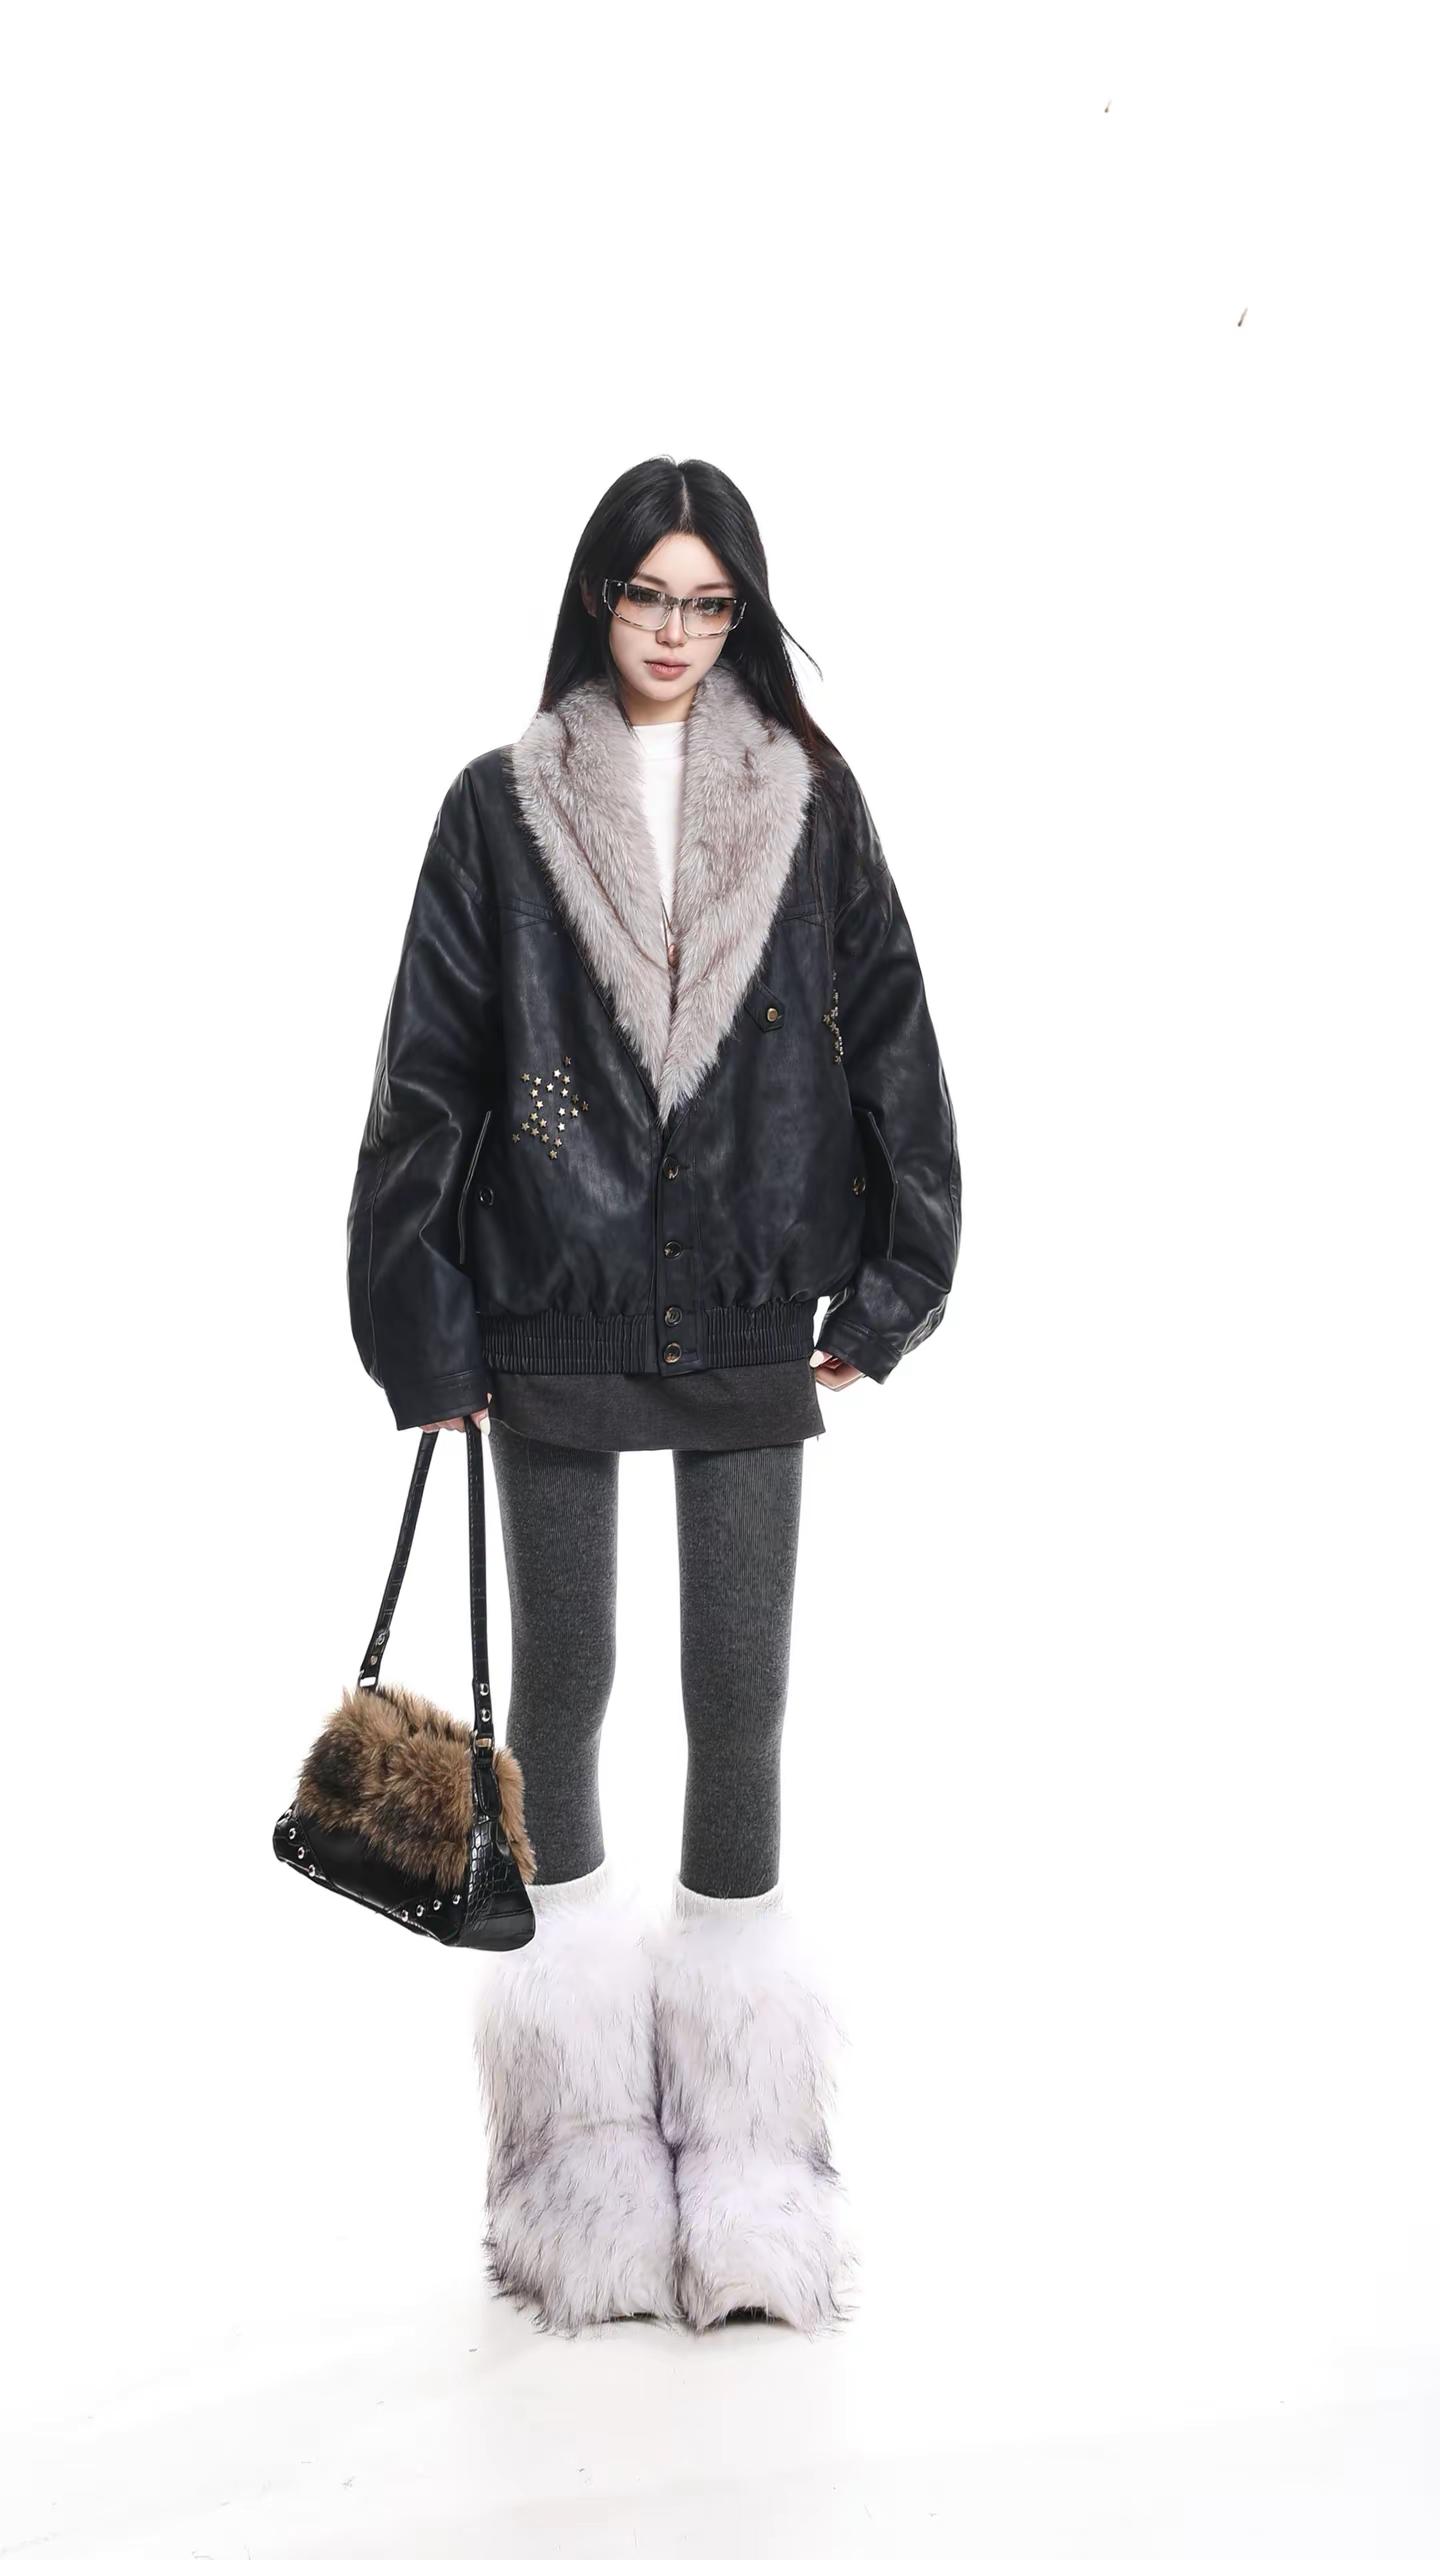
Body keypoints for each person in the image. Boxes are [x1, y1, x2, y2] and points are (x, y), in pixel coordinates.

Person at [345, 453, 962, 2335]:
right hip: (554, 1306)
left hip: (753, 1311)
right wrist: (424, 1330)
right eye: (647, 595)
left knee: (739, 1699)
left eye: (707, 601)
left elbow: (895, 1036)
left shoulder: (811, 805)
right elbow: (429, 1075)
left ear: (740, 610)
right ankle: (582, 2165)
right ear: (596, 597)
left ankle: (754, 2176)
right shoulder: (503, 807)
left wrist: (896, 1282)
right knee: (565, 1690)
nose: (676, 632)